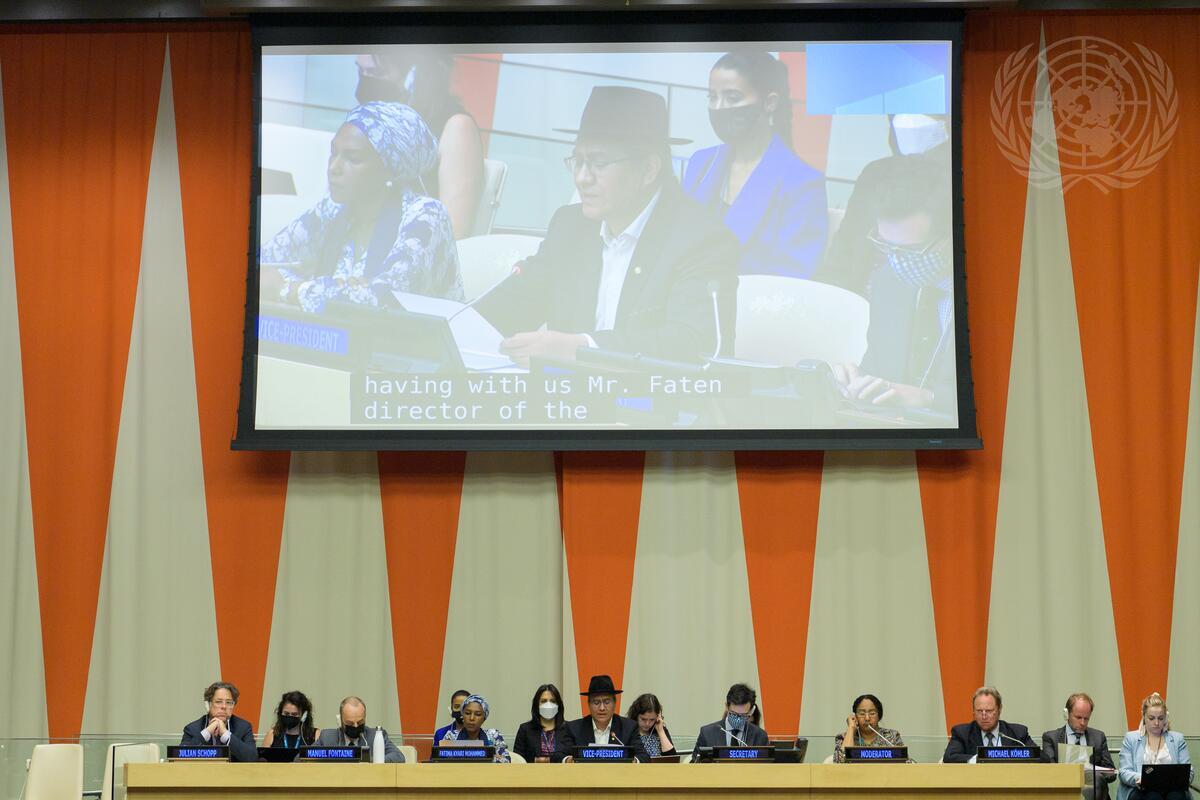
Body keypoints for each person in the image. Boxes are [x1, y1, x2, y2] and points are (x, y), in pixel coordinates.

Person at [476, 85, 739, 366]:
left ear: (649, 169)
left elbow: (692, 343)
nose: (582, 178)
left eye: (599, 163)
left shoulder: (701, 240)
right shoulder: (570, 226)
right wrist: (457, 325)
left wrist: (582, 349)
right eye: (578, 161)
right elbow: (512, 306)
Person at [261, 102, 463, 313]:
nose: (333, 168)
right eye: (333, 153)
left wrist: (289, 289)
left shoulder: (427, 216)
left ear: (389, 168)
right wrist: (329, 289)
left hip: (410, 335)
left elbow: (385, 301)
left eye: (353, 159)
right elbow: (262, 267)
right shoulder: (332, 208)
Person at [828, 154, 955, 413]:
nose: (898, 261)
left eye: (913, 250)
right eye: (886, 245)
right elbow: (881, 371)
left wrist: (930, 399)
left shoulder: (999, 293)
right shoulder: (888, 282)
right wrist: (858, 381)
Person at [682, 50, 827, 278]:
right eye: (712, 97)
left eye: (732, 98)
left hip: (753, 299)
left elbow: (793, 277)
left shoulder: (803, 183)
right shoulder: (701, 163)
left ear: (769, 102)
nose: (719, 108)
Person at [355, 51, 485, 238]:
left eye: (377, 73)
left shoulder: (456, 127)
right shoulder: (371, 124)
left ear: (414, 76)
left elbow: (454, 234)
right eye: (361, 71)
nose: (366, 83)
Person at [553, 674, 648, 763]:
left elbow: (644, 756)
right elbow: (557, 756)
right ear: (589, 704)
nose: (602, 708)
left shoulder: (629, 727)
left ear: (615, 703)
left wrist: (634, 761)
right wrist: (568, 760)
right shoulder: (574, 728)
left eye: (607, 702)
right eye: (596, 702)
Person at [1041, 692, 1116, 799]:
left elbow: (1112, 774)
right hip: (1064, 791)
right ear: (1067, 714)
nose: (1082, 723)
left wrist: (1096, 773)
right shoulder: (1051, 738)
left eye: (1086, 718)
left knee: (1095, 779)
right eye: (1078, 717)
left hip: (1095, 791)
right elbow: (1050, 772)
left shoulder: (1098, 737)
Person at [1117, 692, 1192, 800]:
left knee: (1176, 797)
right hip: (1140, 790)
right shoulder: (1131, 738)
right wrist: (1142, 778)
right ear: (1144, 717)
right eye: (1151, 718)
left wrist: (1178, 780)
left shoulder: (1177, 739)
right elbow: (1124, 772)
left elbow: (1189, 771)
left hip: (1172, 789)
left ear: (1166, 718)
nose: (1156, 723)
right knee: (1152, 797)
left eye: (1160, 718)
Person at [942, 686, 1036, 763]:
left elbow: (1040, 756)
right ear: (973, 711)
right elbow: (949, 757)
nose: (984, 716)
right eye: (979, 711)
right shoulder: (962, 733)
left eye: (989, 711)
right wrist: (980, 758)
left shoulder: (1017, 733)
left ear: (999, 709)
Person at [180, 681, 257, 762]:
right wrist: (207, 732)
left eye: (229, 702)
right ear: (208, 704)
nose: (224, 706)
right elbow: (180, 757)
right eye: (218, 702)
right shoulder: (192, 728)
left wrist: (225, 734)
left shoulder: (243, 727)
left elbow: (252, 758)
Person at [690, 683, 769, 762]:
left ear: (751, 711)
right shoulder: (707, 733)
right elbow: (694, 765)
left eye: (743, 715)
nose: (738, 719)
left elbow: (767, 767)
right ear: (727, 707)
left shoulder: (760, 736)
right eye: (733, 714)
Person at [315, 696, 404, 762]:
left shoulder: (376, 736)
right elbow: (308, 756)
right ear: (341, 720)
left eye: (360, 722)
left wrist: (369, 760)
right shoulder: (327, 737)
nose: (355, 726)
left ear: (365, 717)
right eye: (350, 723)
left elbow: (398, 757)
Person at [440, 694, 511, 763]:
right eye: (467, 713)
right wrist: (490, 756)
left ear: (484, 718)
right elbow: (441, 761)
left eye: (478, 714)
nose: (471, 718)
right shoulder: (451, 736)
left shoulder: (493, 735)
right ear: (462, 716)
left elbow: (506, 761)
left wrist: (462, 756)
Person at [834, 693, 904, 763]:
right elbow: (840, 763)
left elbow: (905, 763)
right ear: (855, 716)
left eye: (872, 713)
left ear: (879, 716)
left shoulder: (892, 736)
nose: (867, 718)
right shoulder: (844, 737)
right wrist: (851, 728)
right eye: (862, 714)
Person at [513, 684, 567, 763]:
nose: (548, 705)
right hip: (532, 770)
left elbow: (573, 758)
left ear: (558, 705)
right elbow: (518, 759)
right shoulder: (525, 729)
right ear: (537, 705)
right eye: (543, 701)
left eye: (553, 701)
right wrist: (536, 760)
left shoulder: (568, 729)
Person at [627, 693, 676, 758]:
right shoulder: (628, 730)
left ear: (658, 717)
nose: (647, 723)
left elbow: (672, 759)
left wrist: (660, 731)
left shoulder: (661, 729)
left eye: (652, 719)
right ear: (636, 715)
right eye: (643, 719)